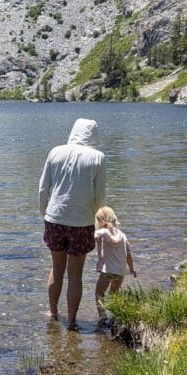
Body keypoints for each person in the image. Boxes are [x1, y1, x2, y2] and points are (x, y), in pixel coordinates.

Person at [39, 118, 106, 328]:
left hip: (54, 218)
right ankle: (73, 322)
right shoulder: (98, 157)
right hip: (81, 222)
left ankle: (53, 312)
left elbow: (43, 189)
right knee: (75, 275)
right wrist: (90, 216)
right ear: (93, 135)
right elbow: (99, 196)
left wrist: (46, 214)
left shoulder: (55, 152)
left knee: (56, 268)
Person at [93, 206, 137, 323]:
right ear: (114, 219)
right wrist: (132, 268)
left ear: (98, 221)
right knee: (114, 294)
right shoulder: (122, 235)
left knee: (99, 293)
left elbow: (91, 238)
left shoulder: (101, 232)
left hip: (107, 271)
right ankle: (116, 315)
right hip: (120, 271)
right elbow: (128, 254)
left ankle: (103, 316)